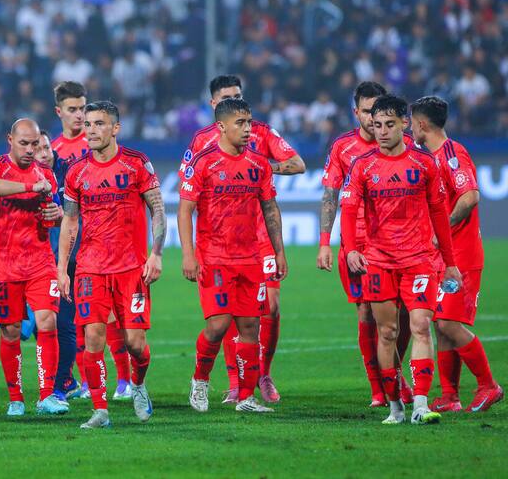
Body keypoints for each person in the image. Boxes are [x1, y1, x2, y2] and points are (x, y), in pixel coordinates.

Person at [179, 75, 305, 404]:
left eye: (248, 120)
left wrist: (279, 251)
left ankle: (250, 390)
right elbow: (185, 204)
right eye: (240, 122)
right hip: (215, 253)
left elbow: (272, 206)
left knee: (255, 322)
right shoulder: (202, 154)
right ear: (219, 119)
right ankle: (204, 379)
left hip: (252, 252)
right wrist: (188, 255)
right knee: (219, 324)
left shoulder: (259, 157)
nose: (248, 128)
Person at [340, 94, 462, 425]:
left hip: (419, 259)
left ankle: (421, 404)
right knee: (388, 332)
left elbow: (439, 212)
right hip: (378, 260)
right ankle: (395, 405)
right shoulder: (363, 165)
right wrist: (351, 248)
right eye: (377, 125)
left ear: (404, 124)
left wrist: (449, 262)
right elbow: (349, 209)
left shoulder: (425, 163)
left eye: (389, 124)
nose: (381, 131)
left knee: (421, 326)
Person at [57, 100, 166, 429]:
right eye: (87, 124)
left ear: (115, 128)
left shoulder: (136, 164)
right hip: (90, 268)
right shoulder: (77, 171)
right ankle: (100, 409)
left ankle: (139, 385)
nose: (90, 130)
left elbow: (158, 211)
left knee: (135, 343)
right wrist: (63, 268)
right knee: (93, 339)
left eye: (99, 124)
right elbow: (69, 222)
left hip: (131, 269)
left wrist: (156, 253)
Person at [317, 81, 414, 407]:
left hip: (403, 244)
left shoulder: (407, 145)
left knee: (406, 315)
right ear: (356, 112)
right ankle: (379, 389)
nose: (374, 119)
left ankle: (395, 375)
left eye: (380, 111)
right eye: (367, 111)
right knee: (367, 312)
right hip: (357, 246)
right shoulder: (343, 148)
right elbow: (330, 194)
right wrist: (324, 243)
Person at [409, 95, 503, 413]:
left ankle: (488, 385)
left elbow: (470, 195)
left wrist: (442, 231)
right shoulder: (429, 157)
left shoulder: (452, 154)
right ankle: (450, 397)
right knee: (441, 323)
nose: (409, 128)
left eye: (411, 122)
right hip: (444, 258)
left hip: (461, 256)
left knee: (449, 324)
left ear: (422, 124)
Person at [0, 118, 67, 417]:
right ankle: (16, 398)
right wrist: (30, 185)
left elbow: (53, 215)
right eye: (24, 144)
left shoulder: (48, 176)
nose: (31, 150)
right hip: (5, 265)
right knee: (11, 332)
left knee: (47, 322)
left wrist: (56, 214)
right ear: (10, 140)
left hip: (40, 261)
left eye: (35, 144)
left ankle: (46, 396)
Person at [50, 81, 131, 401]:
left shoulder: (97, 144)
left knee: (110, 316)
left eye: (83, 108)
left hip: (102, 242)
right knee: (79, 318)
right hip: (68, 240)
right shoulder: (51, 152)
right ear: (59, 112)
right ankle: (86, 382)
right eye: (72, 110)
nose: (80, 116)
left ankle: (125, 380)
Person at [34, 130, 81, 402]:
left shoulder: (71, 173)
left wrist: (63, 213)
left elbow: (78, 216)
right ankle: (66, 378)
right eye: (36, 147)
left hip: (67, 261)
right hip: (35, 263)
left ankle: (61, 385)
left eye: (45, 147)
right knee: (29, 327)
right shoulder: (26, 177)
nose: (42, 152)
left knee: (62, 323)